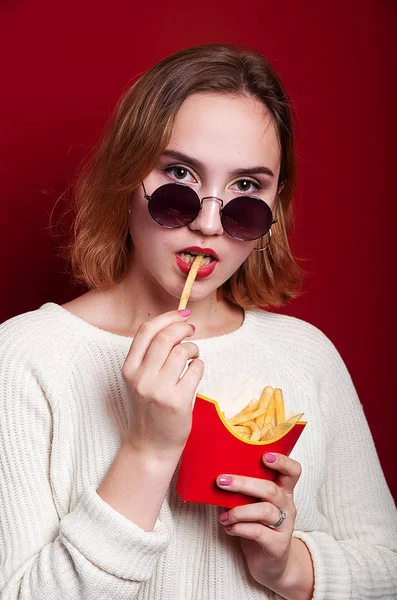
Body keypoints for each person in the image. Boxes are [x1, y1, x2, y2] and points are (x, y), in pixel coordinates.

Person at [0, 44, 396, 600]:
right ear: (126, 175)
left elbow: (387, 568)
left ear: (275, 210)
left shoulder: (306, 355)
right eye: (180, 174)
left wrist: (289, 567)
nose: (209, 223)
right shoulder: (21, 359)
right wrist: (148, 449)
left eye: (246, 189)